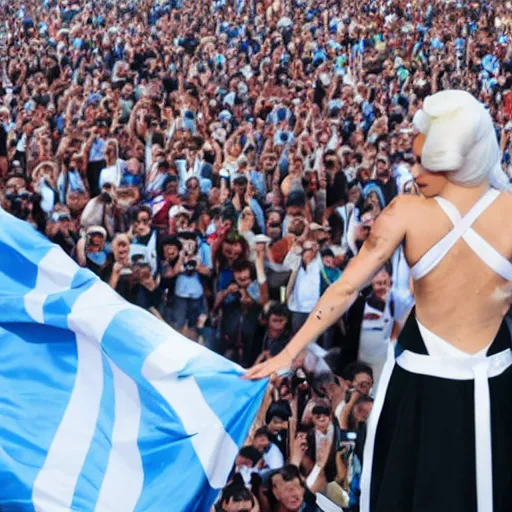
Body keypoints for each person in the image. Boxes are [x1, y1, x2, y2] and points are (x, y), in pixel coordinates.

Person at [246, 90, 512, 512]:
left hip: (462, 383)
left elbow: (346, 289)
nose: (415, 170)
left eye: (427, 161)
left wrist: (291, 352)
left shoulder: (407, 212)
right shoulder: (412, 210)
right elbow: (345, 288)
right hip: (448, 381)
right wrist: (290, 352)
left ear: (460, 158)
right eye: (415, 158)